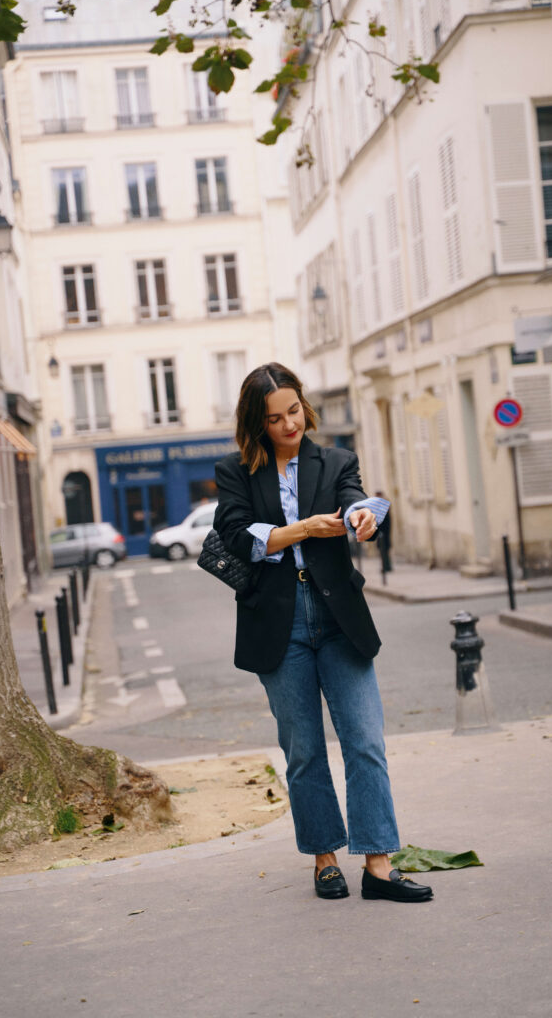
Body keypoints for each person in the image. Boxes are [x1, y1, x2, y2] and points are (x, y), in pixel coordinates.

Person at [213, 363, 433, 904]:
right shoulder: (236, 471)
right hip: (278, 622)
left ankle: (379, 866)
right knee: (304, 750)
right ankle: (325, 859)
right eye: (275, 417)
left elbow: (358, 498)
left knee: (365, 741)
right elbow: (238, 536)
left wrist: (364, 518)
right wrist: (304, 530)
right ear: (256, 422)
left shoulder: (334, 459)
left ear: (303, 406)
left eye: (293, 410)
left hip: (338, 617)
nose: (289, 424)